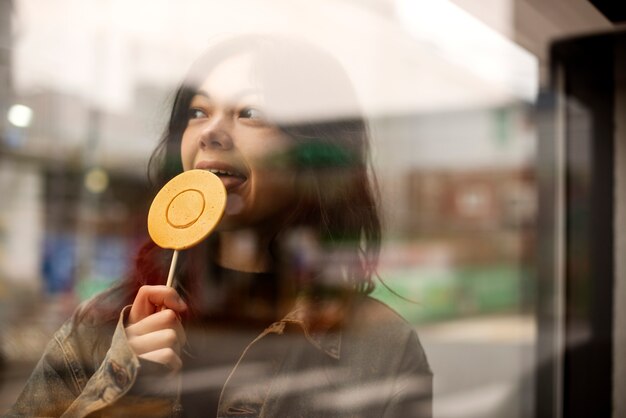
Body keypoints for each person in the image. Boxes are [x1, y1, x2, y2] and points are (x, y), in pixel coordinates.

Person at [6, 35, 432, 417]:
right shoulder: (97, 329)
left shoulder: (384, 349)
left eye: (249, 112)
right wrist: (121, 389)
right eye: (197, 111)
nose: (211, 132)